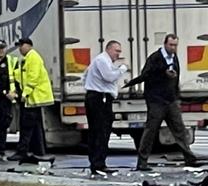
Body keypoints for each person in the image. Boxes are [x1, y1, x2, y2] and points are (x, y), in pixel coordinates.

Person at [125, 34, 198, 170]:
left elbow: (176, 78)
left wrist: (176, 95)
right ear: (165, 44)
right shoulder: (155, 58)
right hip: (156, 101)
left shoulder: (173, 57)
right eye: (171, 45)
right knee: (151, 131)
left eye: (175, 45)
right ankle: (142, 161)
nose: (173, 48)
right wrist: (163, 72)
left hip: (171, 100)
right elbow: (146, 75)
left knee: (179, 130)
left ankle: (189, 157)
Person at [83, 40, 127, 175]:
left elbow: (84, 76)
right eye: (116, 51)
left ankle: (98, 163)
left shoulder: (101, 61)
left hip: (98, 97)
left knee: (100, 131)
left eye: (119, 51)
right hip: (99, 99)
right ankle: (98, 164)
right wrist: (122, 70)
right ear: (108, 49)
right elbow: (108, 77)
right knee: (100, 131)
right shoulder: (102, 60)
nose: (118, 54)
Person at [12, 37, 54, 162]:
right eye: (19, 46)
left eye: (21, 45)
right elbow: (21, 76)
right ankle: (38, 151)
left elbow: (32, 78)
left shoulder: (33, 58)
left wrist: (25, 94)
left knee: (26, 126)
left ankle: (22, 152)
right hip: (33, 99)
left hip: (33, 98)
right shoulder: (26, 59)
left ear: (29, 45)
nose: (19, 48)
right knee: (35, 127)